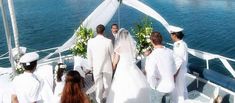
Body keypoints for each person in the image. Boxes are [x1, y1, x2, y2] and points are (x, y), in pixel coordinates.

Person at [106, 28, 150, 103]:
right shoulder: (133, 46)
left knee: (120, 85)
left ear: (120, 37)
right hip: (131, 66)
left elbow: (115, 60)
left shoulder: (119, 47)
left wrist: (113, 67)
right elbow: (135, 56)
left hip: (122, 67)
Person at [145, 32, 176, 103]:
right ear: (161, 40)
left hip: (159, 87)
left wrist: (154, 86)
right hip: (170, 86)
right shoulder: (170, 52)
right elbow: (174, 67)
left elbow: (150, 73)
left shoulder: (152, 56)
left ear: (152, 41)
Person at [87, 24, 113, 103]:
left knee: (98, 85)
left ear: (96, 31)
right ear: (103, 31)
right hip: (107, 66)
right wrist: (113, 65)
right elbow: (112, 55)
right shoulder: (108, 41)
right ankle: (109, 99)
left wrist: (91, 66)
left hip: (96, 67)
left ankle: (99, 100)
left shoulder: (90, 41)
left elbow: (89, 55)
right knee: (107, 84)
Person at [169, 25, 188, 102]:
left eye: (171, 34)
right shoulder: (181, 43)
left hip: (179, 72)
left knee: (179, 92)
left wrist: (174, 75)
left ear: (174, 35)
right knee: (183, 89)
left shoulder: (178, 46)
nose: (171, 36)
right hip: (182, 70)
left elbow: (178, 62)